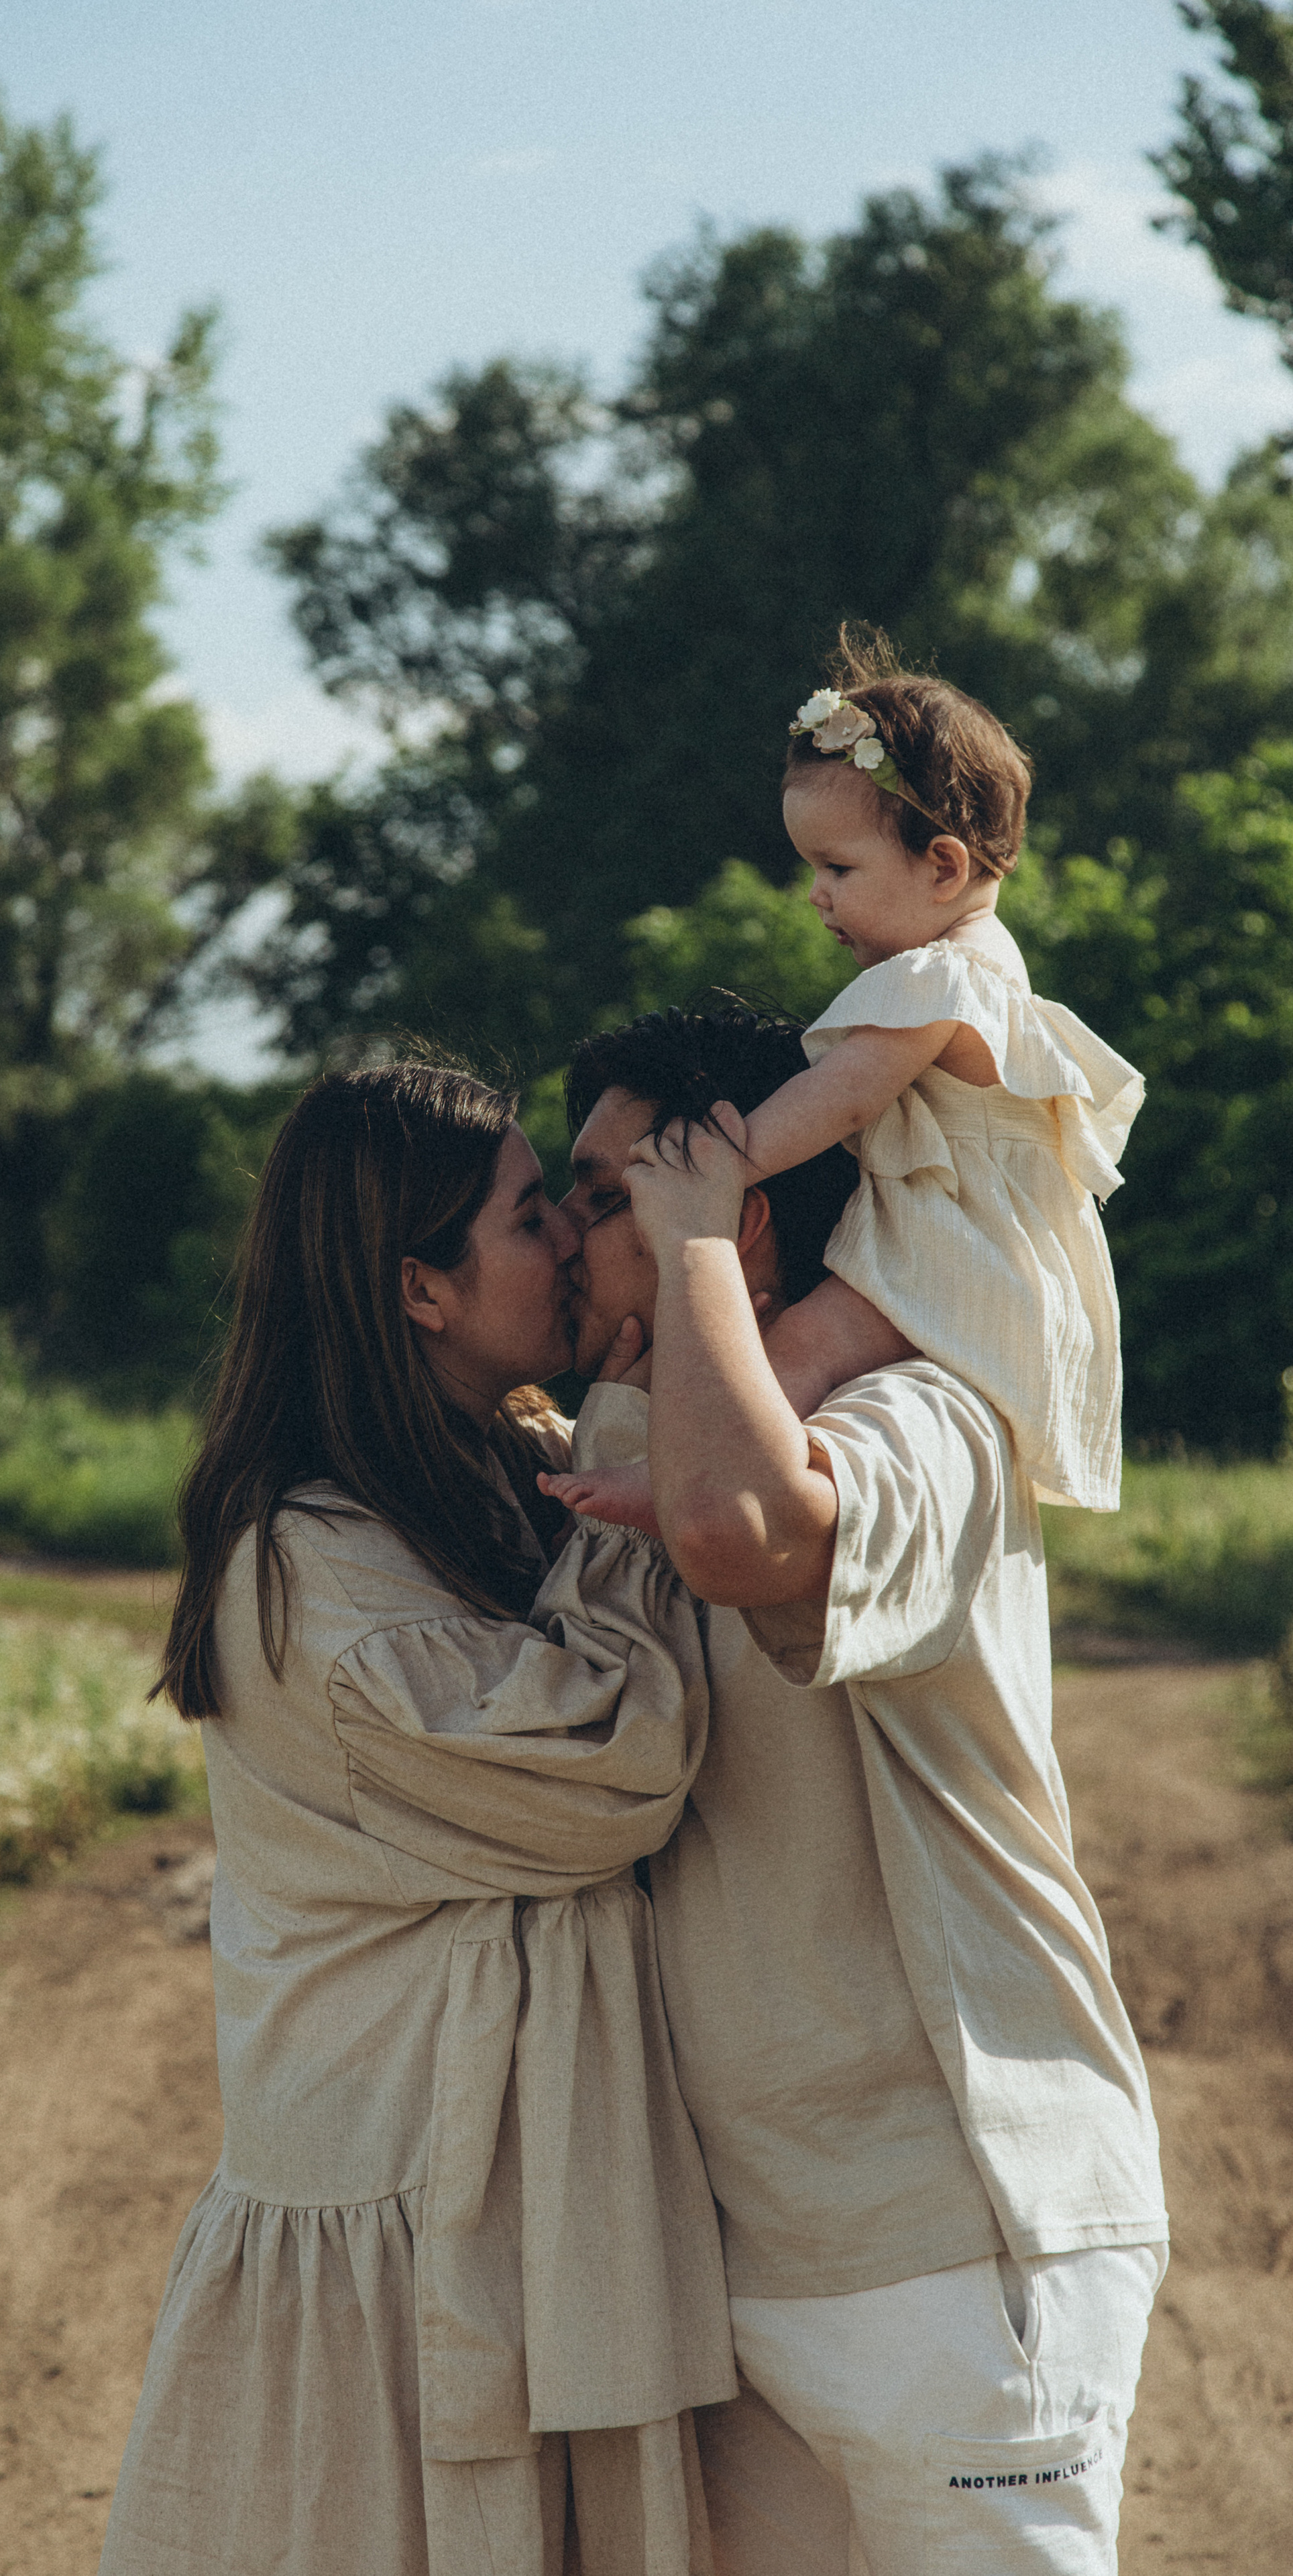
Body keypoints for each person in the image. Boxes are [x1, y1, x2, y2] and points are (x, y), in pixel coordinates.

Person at [547, 1000, 1166, 2576]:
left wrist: (687, 1248)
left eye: (608, 1195)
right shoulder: (623, 1433)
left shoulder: (927, 1415)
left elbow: (739, 1532)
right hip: (743, 2262)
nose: (563, 1233)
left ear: (737, 1217)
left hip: (956, 2239)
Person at [96, 1063, 736, 2576]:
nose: (571, 1239)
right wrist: (638, 1422)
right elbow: (613, 1769)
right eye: (529, 1217)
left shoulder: (506, 1462)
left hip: (523, 2221)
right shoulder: (311, 1569)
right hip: (405, 2249)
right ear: (419, 1290)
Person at [564, 627, 1143, 1529]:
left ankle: (680, 1476)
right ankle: (704, 1470)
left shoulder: (941, 980)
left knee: (799, 1348)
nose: (817, 894)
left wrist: (721, 1163)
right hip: (974, 1249)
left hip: (959, 1254)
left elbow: (839, 1097)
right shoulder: (981, 970)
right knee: (812, 1358)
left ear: (943, 866)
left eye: (838, 868)